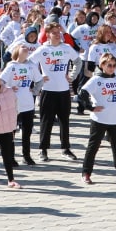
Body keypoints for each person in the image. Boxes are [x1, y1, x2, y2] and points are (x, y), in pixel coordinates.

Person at [79, 53, 116, 184]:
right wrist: (91, 107)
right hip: (100, 119)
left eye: (114, 65)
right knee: (93, 146)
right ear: (102, 65)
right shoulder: (96, 80)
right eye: (109, 65)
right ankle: (86, 172)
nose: (112, 68)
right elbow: (82, 93)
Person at [29, 23, 80, 162]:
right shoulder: (42, 49)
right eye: (54, 33)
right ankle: (43, 149)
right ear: (48, 35)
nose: (58, 35)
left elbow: (78, 61)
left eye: (59, 32)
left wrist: (72, 75)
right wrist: (38, 77)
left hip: (64, 91)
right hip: (47, 91)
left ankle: (65, 148)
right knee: (46, 121)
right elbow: (29, 63)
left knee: (64, 121)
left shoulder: (66, 48)